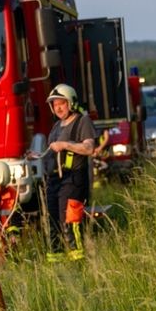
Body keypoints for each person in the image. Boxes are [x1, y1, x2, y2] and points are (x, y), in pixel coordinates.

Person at [43, 83, 97, 261]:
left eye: (62, 103)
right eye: (54, 104)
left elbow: (89, 148)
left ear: (71, 103)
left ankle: (79, 260)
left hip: (73, 178)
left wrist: (66, 145)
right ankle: (56, 261)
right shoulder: (56, 126)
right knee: (53, 222)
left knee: (70, 220)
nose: (58, 107)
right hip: (54, 179)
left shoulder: (83, 121)